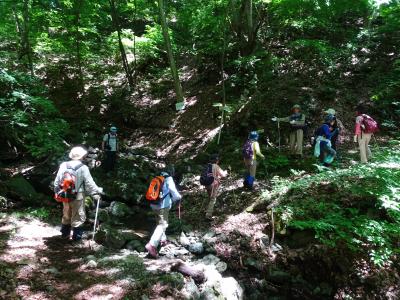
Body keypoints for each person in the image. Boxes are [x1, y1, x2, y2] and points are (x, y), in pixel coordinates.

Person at [54, 146, 103, 241]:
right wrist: (97, 191)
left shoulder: (64, 165)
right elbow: (89, 183)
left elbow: (57, 180)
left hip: (64, 194)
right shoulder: (83, 167)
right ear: (82, 156)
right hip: (78, 195)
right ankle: (76, 238)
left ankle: (64, 235)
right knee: (78, 216)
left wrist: (57, 191)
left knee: (66, 214)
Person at [145, 170, 182, 258]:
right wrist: (179, 197)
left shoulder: (156, 178)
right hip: (163, 205)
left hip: (154, 204)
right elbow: (174, 193)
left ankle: (163, 240)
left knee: (159, 223)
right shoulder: (168, 179)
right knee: (163, 225)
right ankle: (152, 244)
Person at [204, 154, 228, 219]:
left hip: (207, 184)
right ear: (216, 160)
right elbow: (223, 175)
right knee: (213, 199)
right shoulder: (216, 166)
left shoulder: (208, 165)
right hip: (213, 185)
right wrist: (226, 172)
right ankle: (208, 215)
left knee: (210, 197)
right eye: (218, 160)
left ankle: (208, 210)